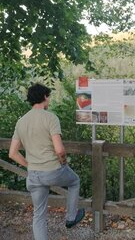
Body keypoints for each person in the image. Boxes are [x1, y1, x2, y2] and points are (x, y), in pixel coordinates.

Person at [9, 83, 85, 240]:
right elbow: (59, 150)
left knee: (39, 216)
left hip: (33, 176)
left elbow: (12, 153)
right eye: (48, 96)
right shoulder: (51, 118)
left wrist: (29, 165)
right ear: (44, 97)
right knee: (75, 181)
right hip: (52, 171)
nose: (49, 99)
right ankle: (71, 218)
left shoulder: (21, 122)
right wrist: (63, 162)